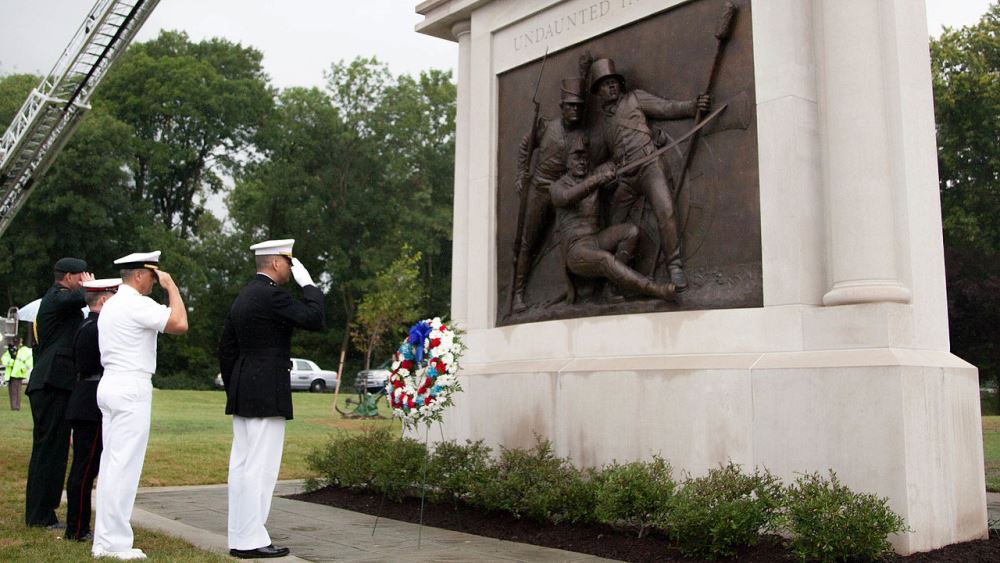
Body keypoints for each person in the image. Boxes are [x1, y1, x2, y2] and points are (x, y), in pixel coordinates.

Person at [219, 239, 324, 559]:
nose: (290, 271)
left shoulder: (244, 296)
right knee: (260, 468)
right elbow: (314, 318)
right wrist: (309, 284)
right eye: (288, 264)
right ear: (277, 263)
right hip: (266, 389)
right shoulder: (271, 295)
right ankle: (252, 538)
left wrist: (235, 386)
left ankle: (239, 535)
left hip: (244, 388)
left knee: (241, 465)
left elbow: (226, 348)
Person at [93, 252, 187, 560]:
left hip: (110, 383)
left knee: (111, 465)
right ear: (138, 275)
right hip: (131, 385)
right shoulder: (136, 304)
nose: (154, 280)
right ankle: (115, 543)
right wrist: (172, 286)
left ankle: (104, 540)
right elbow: (179, 323)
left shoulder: (111, 304)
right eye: (152, 274)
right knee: (124, 468)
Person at [589, 57, 710, 291]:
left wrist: (693, 106)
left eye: (614, 82)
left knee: (665, 209)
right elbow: (599, 160)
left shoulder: (634, 99)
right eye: (606, 84)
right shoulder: (603, 126)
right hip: (626, 178)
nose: (612, 86)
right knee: (615, 225)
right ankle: (619, 275)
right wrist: (606, 171)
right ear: (598, 92)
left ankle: (675, 267)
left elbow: (666, 108)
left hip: (649, 167)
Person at [551, 139, 677, 302]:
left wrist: (651, 148)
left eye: (584, 158)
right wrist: (597, 179)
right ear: (566, 162)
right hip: (575, 250)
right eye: (576, 157)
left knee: (631, 232)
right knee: (605, 259)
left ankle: (611, 288)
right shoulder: (557, 187)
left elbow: (618, 164)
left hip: (596, 240)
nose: (582, 162)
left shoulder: (593, 175)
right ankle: (654, 289)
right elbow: (567, 198)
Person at [25, 256, 93, 528]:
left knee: (52, 451)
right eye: (82, 276)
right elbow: (79, 300)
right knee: (49, 451)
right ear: (68, 277)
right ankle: (40, 515)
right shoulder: (56, 296)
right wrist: (93, 287)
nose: (85, 279)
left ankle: (42, 512)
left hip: (55, 384)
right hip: (52, 384)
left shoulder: (62, 298)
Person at [511, 77, 587, 313]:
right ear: (562, 107)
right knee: (528, 242)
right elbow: (526, 145)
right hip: (540, 189)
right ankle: (518, 295)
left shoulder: (581, 136)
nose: (575, 110)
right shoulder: (546, 126)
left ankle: (574, 290)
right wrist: (521, 173)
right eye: (571, 106)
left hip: (564, 190)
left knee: (572, 238)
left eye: (578, 106)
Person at [65, 278, 118, 542]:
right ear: (104, 300)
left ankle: (78, 525)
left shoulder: (86, 324)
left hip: (83, 397)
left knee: (83, 467)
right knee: (86, 468)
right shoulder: (97, 328)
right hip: (90, 401)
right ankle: (77, 528)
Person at [2, 336, 32, 410]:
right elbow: (4, 360)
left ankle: (16, 407)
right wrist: (12, 359)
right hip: (12, 374)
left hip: (18, 373)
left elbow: (29, 362)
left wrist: (23, 369)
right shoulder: (11, 350)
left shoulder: (24, 350)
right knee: (14, 391)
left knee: (16, 391)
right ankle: (14, 406)